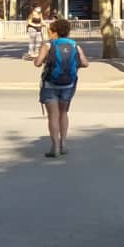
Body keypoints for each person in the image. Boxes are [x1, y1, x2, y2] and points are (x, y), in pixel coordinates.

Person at [33, 18, 89, 158]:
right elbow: (85, 63)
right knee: (63, 113)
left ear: (54, 32)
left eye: (50, 31)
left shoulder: (48, 45)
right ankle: (63, 144)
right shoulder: (75, 45)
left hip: (50, 84)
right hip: (68, 84)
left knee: (53, 115)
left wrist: (36, 59)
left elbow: (38, 63)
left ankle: (55, 147)